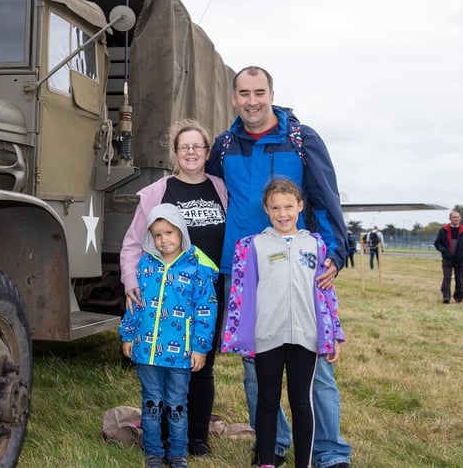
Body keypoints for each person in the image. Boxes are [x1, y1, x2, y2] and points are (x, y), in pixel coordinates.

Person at [206, 65, 351, 468]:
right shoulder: (223, 146)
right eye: (243, 93)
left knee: (315, 370)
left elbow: (326, 198)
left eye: (259, 92)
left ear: (271, 94)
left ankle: (329, 452)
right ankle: (273, 445)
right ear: (233, 98)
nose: (252, 101)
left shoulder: (302, 140)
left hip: (298, 270)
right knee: (256, 371)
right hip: (244, 274)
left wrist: (335, 255)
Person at [120, 119, 228, 456]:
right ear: (175, 154)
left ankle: (196, 436)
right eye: (185, 147)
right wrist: (130, 282)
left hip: (207, 291)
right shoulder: (157, 192)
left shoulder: (222, 189)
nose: (191, 152)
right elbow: (132, 243)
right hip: (164, 293)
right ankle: (163, 435)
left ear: (207, 152)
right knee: (165, 364)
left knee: (201, 362)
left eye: (198, 146)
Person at [222, 179, 344, 468]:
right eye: (275, 207)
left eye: (289, 206)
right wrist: (240, 336)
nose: (283, 213)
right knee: (267, 399)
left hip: (306, 336)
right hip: (267, 336)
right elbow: (240, 295)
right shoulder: (252, 246)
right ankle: (266, 461)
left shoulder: (315, 244)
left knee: (302, 401)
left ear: (300, 206)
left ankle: (304, 462)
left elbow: (327, 294)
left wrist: (334, 333)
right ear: (266, 209)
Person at [119, 203, 219, 468]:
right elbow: (134, 303)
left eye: (169, 233)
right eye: (157, 234)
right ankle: (153, 451)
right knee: (151, 403)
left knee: (176, 405)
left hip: (181, 354)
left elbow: (206, 311)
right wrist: (128, 335)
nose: (164, 240)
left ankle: (177, 452)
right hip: (146, 352)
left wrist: (200, 348)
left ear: (182, 233)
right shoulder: (144, 266)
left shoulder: (196, 269)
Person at [434, 210, 463, 303]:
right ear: (450, 218)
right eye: (454, 217)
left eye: (458, 217)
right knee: (447, 277)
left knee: (459, 279)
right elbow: (437, 243)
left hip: (460, 260)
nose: (457, 219)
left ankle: (458, 297)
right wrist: (444, 251)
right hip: (447, 259)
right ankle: (446, 297)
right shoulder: (443, 230)